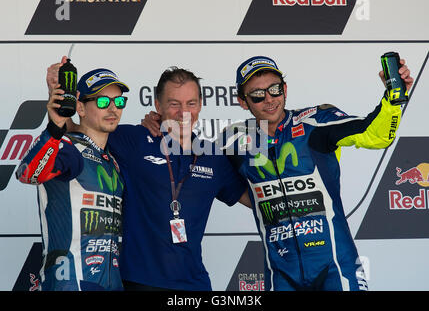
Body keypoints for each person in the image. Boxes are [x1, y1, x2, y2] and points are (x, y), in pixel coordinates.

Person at [143, 55, 413, 291]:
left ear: (285, 88)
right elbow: (190, 157)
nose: (269, 99)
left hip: (335, 267)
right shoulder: (234, 139)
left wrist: (393, 98)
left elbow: (375, 135)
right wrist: (158, 124)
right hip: (281, 274)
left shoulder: (315, 122)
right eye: (257, 95)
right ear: (242, 101)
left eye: (274, 89)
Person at [58, 65, 250, 291]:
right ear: (158, 105)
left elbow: (256, 199)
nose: (184, 112)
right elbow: (79, 130)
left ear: (200, 104)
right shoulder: (132, 140)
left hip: (195, 284)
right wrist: (60, 96)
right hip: (138, 282)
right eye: (174, 103)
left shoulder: (213, 157)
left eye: (191, 103)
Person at [15, 57, 129, 291]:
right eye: (102, 101)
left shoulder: (113, 161)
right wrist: (55, 126)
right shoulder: (68, 148)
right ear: (79, 107)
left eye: (118, 101)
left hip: (110, 284)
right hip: (70, 283)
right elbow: (26, 173)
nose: (113, 108)